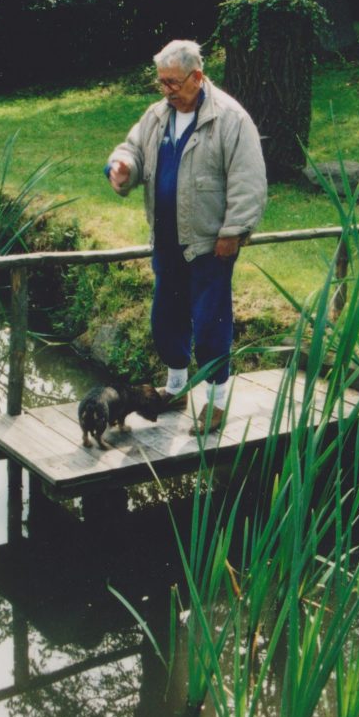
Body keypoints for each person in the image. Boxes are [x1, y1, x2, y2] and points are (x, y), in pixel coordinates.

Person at [106, 39, 267, 435]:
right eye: (161, 83)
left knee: (211, 326)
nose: (166, 90)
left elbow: (249, 181)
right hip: (166, 240)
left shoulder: (230, 118)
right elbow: (132, 149)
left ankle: (215, 403)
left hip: (211, 245)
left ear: (197, 76)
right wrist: (122, 164)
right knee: (166, 320)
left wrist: (234, 231)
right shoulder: (157, 115)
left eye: (173, 83)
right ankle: (177, 388)